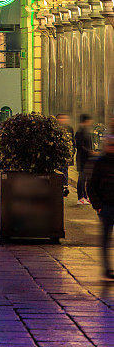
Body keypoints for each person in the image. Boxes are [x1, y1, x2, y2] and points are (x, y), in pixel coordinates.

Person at [88, 135, 114, 280]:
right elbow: (91, 185)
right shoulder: (100, 163)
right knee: (106, 239)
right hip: (106, 207)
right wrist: (98, 206)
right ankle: (107, 269)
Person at [75, 114, 94, 203]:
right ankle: (80, 197)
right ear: (86, 121)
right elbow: (79, 146)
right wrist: (89, 151)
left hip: (87, 158)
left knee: (85, 178)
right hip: (82, 158)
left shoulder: (86, 131)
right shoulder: (80, 132)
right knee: (81, 178)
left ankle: (85, 196)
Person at [56, 113, 75, 196]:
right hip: (57, 154)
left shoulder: (69, 128)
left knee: (65, 170)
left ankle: (65, 186)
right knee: (58, 170)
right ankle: (59, 187)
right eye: (61, 118)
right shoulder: (55, 128)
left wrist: (72, 151)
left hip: (66, 154)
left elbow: (73, 141)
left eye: (64, 118)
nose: (63, 120)